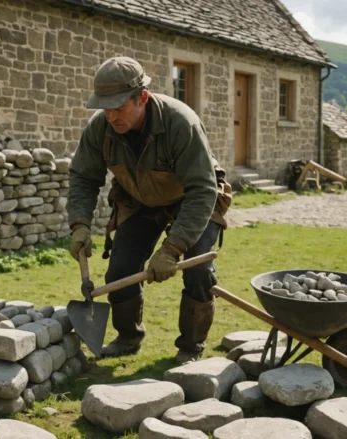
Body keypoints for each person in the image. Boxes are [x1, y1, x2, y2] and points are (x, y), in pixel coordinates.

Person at [67, 56, 232, 364]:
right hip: (139, 201)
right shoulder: (99, 129)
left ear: (141, 97)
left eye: (119, 107)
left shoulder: (181, 123)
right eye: (105, 107)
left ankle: (190, 347)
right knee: (120, 269)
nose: (111, 115)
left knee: (198, 271)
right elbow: (83, 178)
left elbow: (202, 190)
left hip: (193, 198)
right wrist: (79, 225)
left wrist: (172, 249)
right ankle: (128, 337)